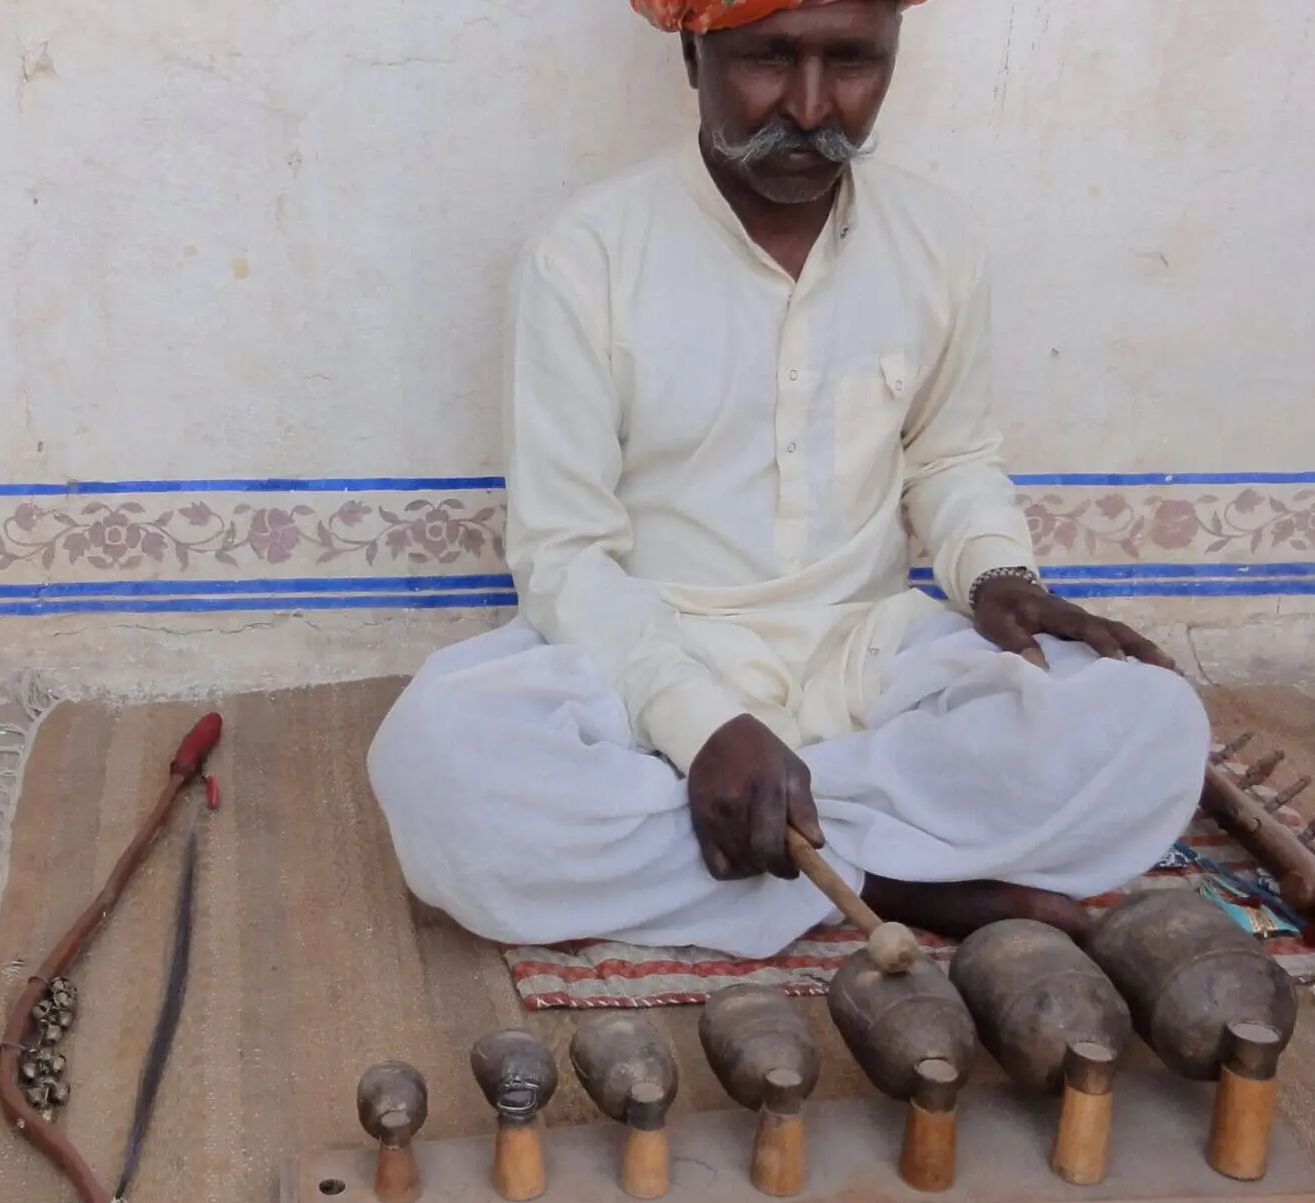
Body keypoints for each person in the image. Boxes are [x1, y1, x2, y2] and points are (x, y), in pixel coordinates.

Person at [369, 0, 1210, 959]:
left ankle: (778, 850)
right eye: (769, 57)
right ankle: (888, 877)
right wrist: (698, 726)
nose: (813, 107)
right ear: (695, 52)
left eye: (853, 62)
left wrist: (997, 577)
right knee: (438, 761)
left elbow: (948, 457)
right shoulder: (582, 259)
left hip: (868, 654)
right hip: (649, 659)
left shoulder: (939, 240)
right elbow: (565, 558)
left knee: (1153, 722)